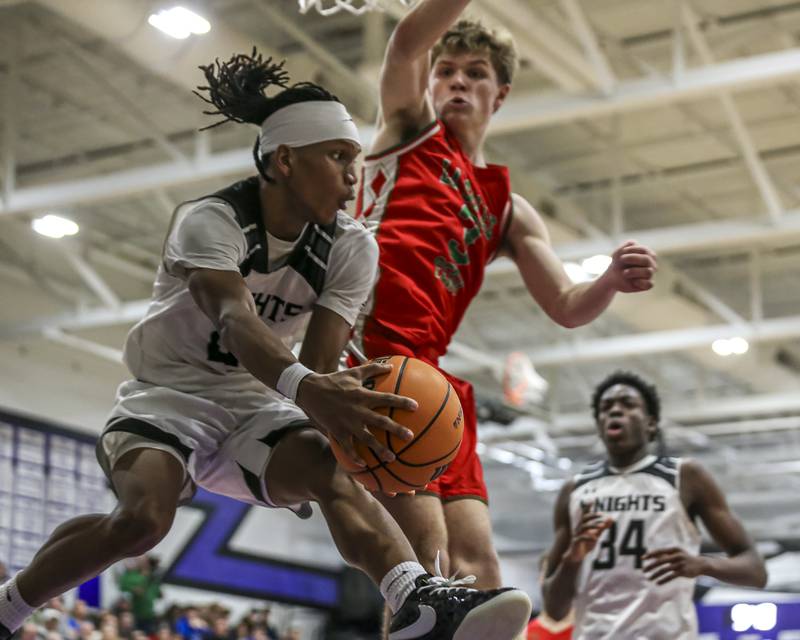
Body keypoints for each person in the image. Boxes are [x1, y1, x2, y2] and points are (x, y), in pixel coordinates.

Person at [0, 50, 531, 640]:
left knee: (331, 472)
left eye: (356, 160)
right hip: (168, 397)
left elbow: (321, 363)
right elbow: (233, 319)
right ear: (285, 159)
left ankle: (418, 599)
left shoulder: (352, 245)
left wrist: (350, 423)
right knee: (141, 524)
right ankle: (7, 610)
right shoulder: (211, 220)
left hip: (258, 405)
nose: (354, 176)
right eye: (338, 157)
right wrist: (309, 388)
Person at [353, 0, 659, 602]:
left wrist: (610, 283)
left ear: (502, 94)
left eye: (475, 72)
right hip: (372, 354)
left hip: (434, 381)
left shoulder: (510, 210)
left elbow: (568, 305)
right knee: (430, 566)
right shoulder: (410, 129)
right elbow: (407, 46)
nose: (457, 80)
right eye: (448, 70)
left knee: (480, 574)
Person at [542, 371, 768, 639]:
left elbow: (755, 571)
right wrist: (573, 559)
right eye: (606, 408)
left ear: (650, 424)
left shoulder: (685, 476)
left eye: (628, 404)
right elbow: (554, 610)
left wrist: (703, 565)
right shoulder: (574, 490)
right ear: (599, 425)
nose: (615, 411)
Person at [525, 554, 572, 640]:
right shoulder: (526, 632)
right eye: (550, 573)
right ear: (541, 579)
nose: (556, 581)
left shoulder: (588, 627)